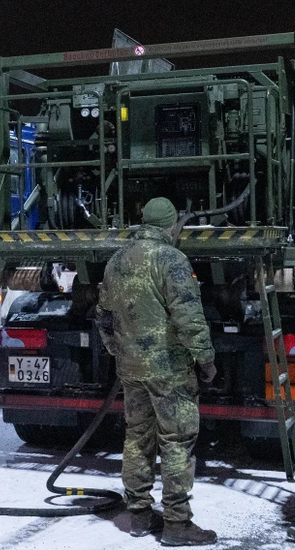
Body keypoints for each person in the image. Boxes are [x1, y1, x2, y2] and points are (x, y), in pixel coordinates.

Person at [97, 197, 217, 545]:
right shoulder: (172, 259)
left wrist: (117, 351)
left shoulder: (117, 260)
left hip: (131, 369)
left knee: (137, 438)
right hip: (169, 370)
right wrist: (205, 359)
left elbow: (103, 316)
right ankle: (177, 525)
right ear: (171, 226)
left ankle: (139, 516)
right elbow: (188, 317)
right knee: (177, 441)